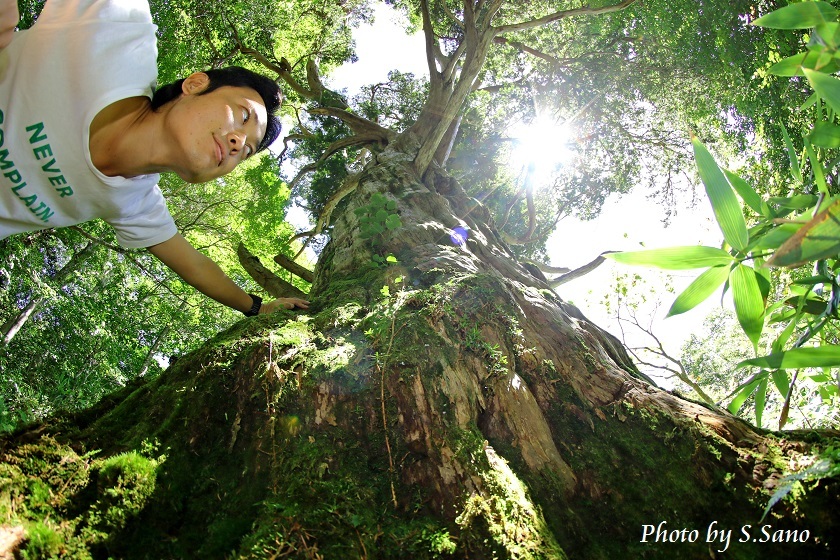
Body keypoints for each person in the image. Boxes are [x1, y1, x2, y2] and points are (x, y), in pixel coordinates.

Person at [0, 0, 308, 316]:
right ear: (195, 84)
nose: (237, 143)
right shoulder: (121, 34)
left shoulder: (134, 204)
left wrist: (259, 307)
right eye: (243, 115)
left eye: (246, 152)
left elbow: (196, 266)